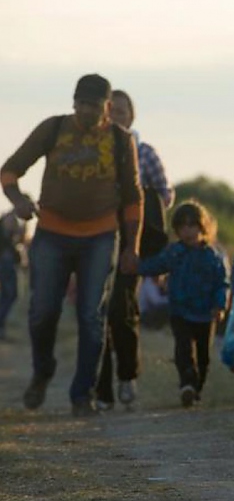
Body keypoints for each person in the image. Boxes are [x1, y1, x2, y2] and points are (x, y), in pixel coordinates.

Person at [1, 74, 142, 417]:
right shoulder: (53, 129)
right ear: (73, 102)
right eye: (81, 104)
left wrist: (131, 247)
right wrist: (18, 201)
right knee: (42, 312)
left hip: (101, 235)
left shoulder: (121, 141)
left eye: (94, 105)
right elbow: (9, 172)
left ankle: (83, 395)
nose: (86, 111)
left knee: (91, 317)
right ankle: (43, 369)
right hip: (52, 233)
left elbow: (133, 199)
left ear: (107, 107)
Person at [96, 89, 175, 410]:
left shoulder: (145, 152)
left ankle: (127, 376)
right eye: (112, 111)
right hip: (96, 237)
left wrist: (139, 209)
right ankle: (100, 389)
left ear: (132, 116)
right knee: (95, 313)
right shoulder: (93, 151)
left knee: (121, 308)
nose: (117, 116)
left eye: (123, 111)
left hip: (133, 241)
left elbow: (164, 195)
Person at [137, 201, 228, 408]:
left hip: (205, 313)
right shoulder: (174, 252)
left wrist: (220, 305)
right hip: (180, 310)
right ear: (177, 230)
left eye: (192, 226)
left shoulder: (213, 256)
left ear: (202, 227)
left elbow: (222, 283)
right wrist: (136, 266)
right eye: (182, 227)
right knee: (183, 349)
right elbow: (157, 265)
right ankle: (186, 384)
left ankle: (196, 388)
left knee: (203, 356)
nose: (188, 232)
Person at [0, 208, 26, 340]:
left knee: (8, 294)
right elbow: (12, 240)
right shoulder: (11, 219)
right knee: (10, 293)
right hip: (6, 259)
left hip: (6, 259)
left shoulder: (9, 217)